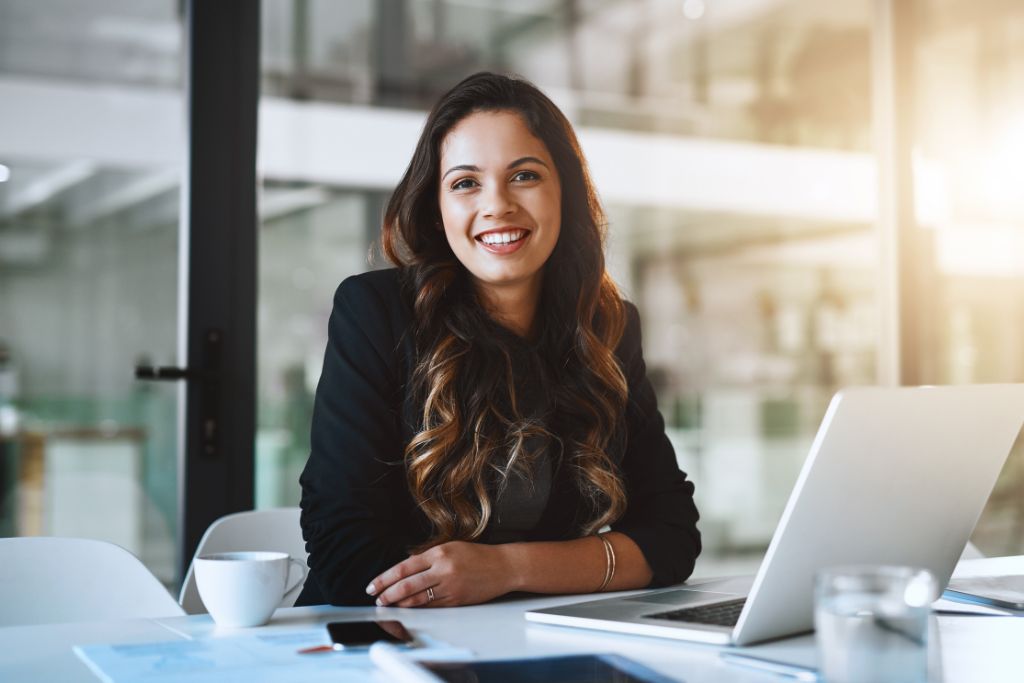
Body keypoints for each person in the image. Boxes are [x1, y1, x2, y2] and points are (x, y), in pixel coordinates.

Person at [296, 72, 701, 608]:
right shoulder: (375, 312)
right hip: (383, 646)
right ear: (438, 211)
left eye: (525, 176)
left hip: (539, 641)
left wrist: (507, 568)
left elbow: (671, 537)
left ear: (566, 194)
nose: (498, 205)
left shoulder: (608, 326)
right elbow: (344, 553)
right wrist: (574, 567)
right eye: (466, 183)